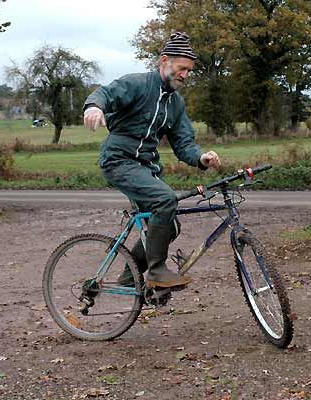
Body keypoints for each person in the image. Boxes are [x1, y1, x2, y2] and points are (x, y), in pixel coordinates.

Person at [83, 32, 220, 290]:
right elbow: (105, 94)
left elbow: (184, 144)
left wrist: (201, 158)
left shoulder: (175, 103)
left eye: (189, 71)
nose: (185, 75)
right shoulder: (137, 84)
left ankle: (129, 280)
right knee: (164, 200)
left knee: (170, 228)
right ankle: (157, 272)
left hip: (146, 167)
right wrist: (94, 107)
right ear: (165, 61)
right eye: (182, 68)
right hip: (119, 161)